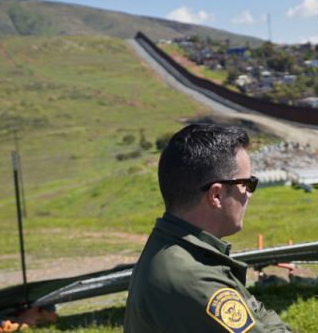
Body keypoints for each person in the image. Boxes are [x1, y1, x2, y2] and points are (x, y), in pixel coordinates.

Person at [124, 124, 290, 333]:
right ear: (216, 196)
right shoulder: (193, 279)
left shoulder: (173, 248)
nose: (249, 194)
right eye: (247, 184)